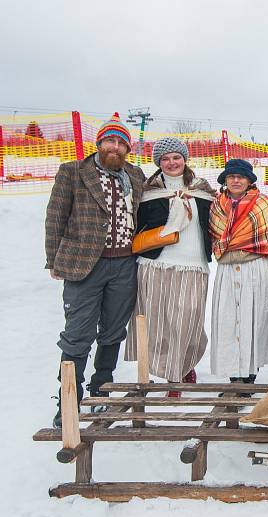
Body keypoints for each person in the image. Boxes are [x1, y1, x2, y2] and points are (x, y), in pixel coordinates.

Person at [45, 113, 144, 427]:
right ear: (99, 143)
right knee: (77, 336)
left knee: (113, 331)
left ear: (127, 148)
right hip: (84, 264)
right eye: (109, 140)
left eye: (120, 142)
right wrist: (53, 259)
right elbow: (55, 217)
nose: (114, 146)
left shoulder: (136, 175)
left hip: (124, 263)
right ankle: (68, 401)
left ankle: (101, 391)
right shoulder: (73, 172)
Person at [124, 138, 216, 397]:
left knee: (187, 321)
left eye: (176, 157)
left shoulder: (202, 190)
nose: (171, 163)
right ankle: (168, 374)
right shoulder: (147, 191)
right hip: (155, 265)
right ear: (158, 163)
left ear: (184, 159)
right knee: (157, 322)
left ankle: (183, 367)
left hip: (194, 266)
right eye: (165, 159)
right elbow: (135, 224)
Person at [208, 159, 268, 385]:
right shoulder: (216, 206)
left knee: (254, 323)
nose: (236, 180)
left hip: (256, 269)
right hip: (227, 271)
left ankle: (250, 378)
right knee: (229, 324)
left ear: (249, 180)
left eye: (241, 176)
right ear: (225, 180)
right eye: (231, 177)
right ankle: (234, 378)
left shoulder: (263, 205)